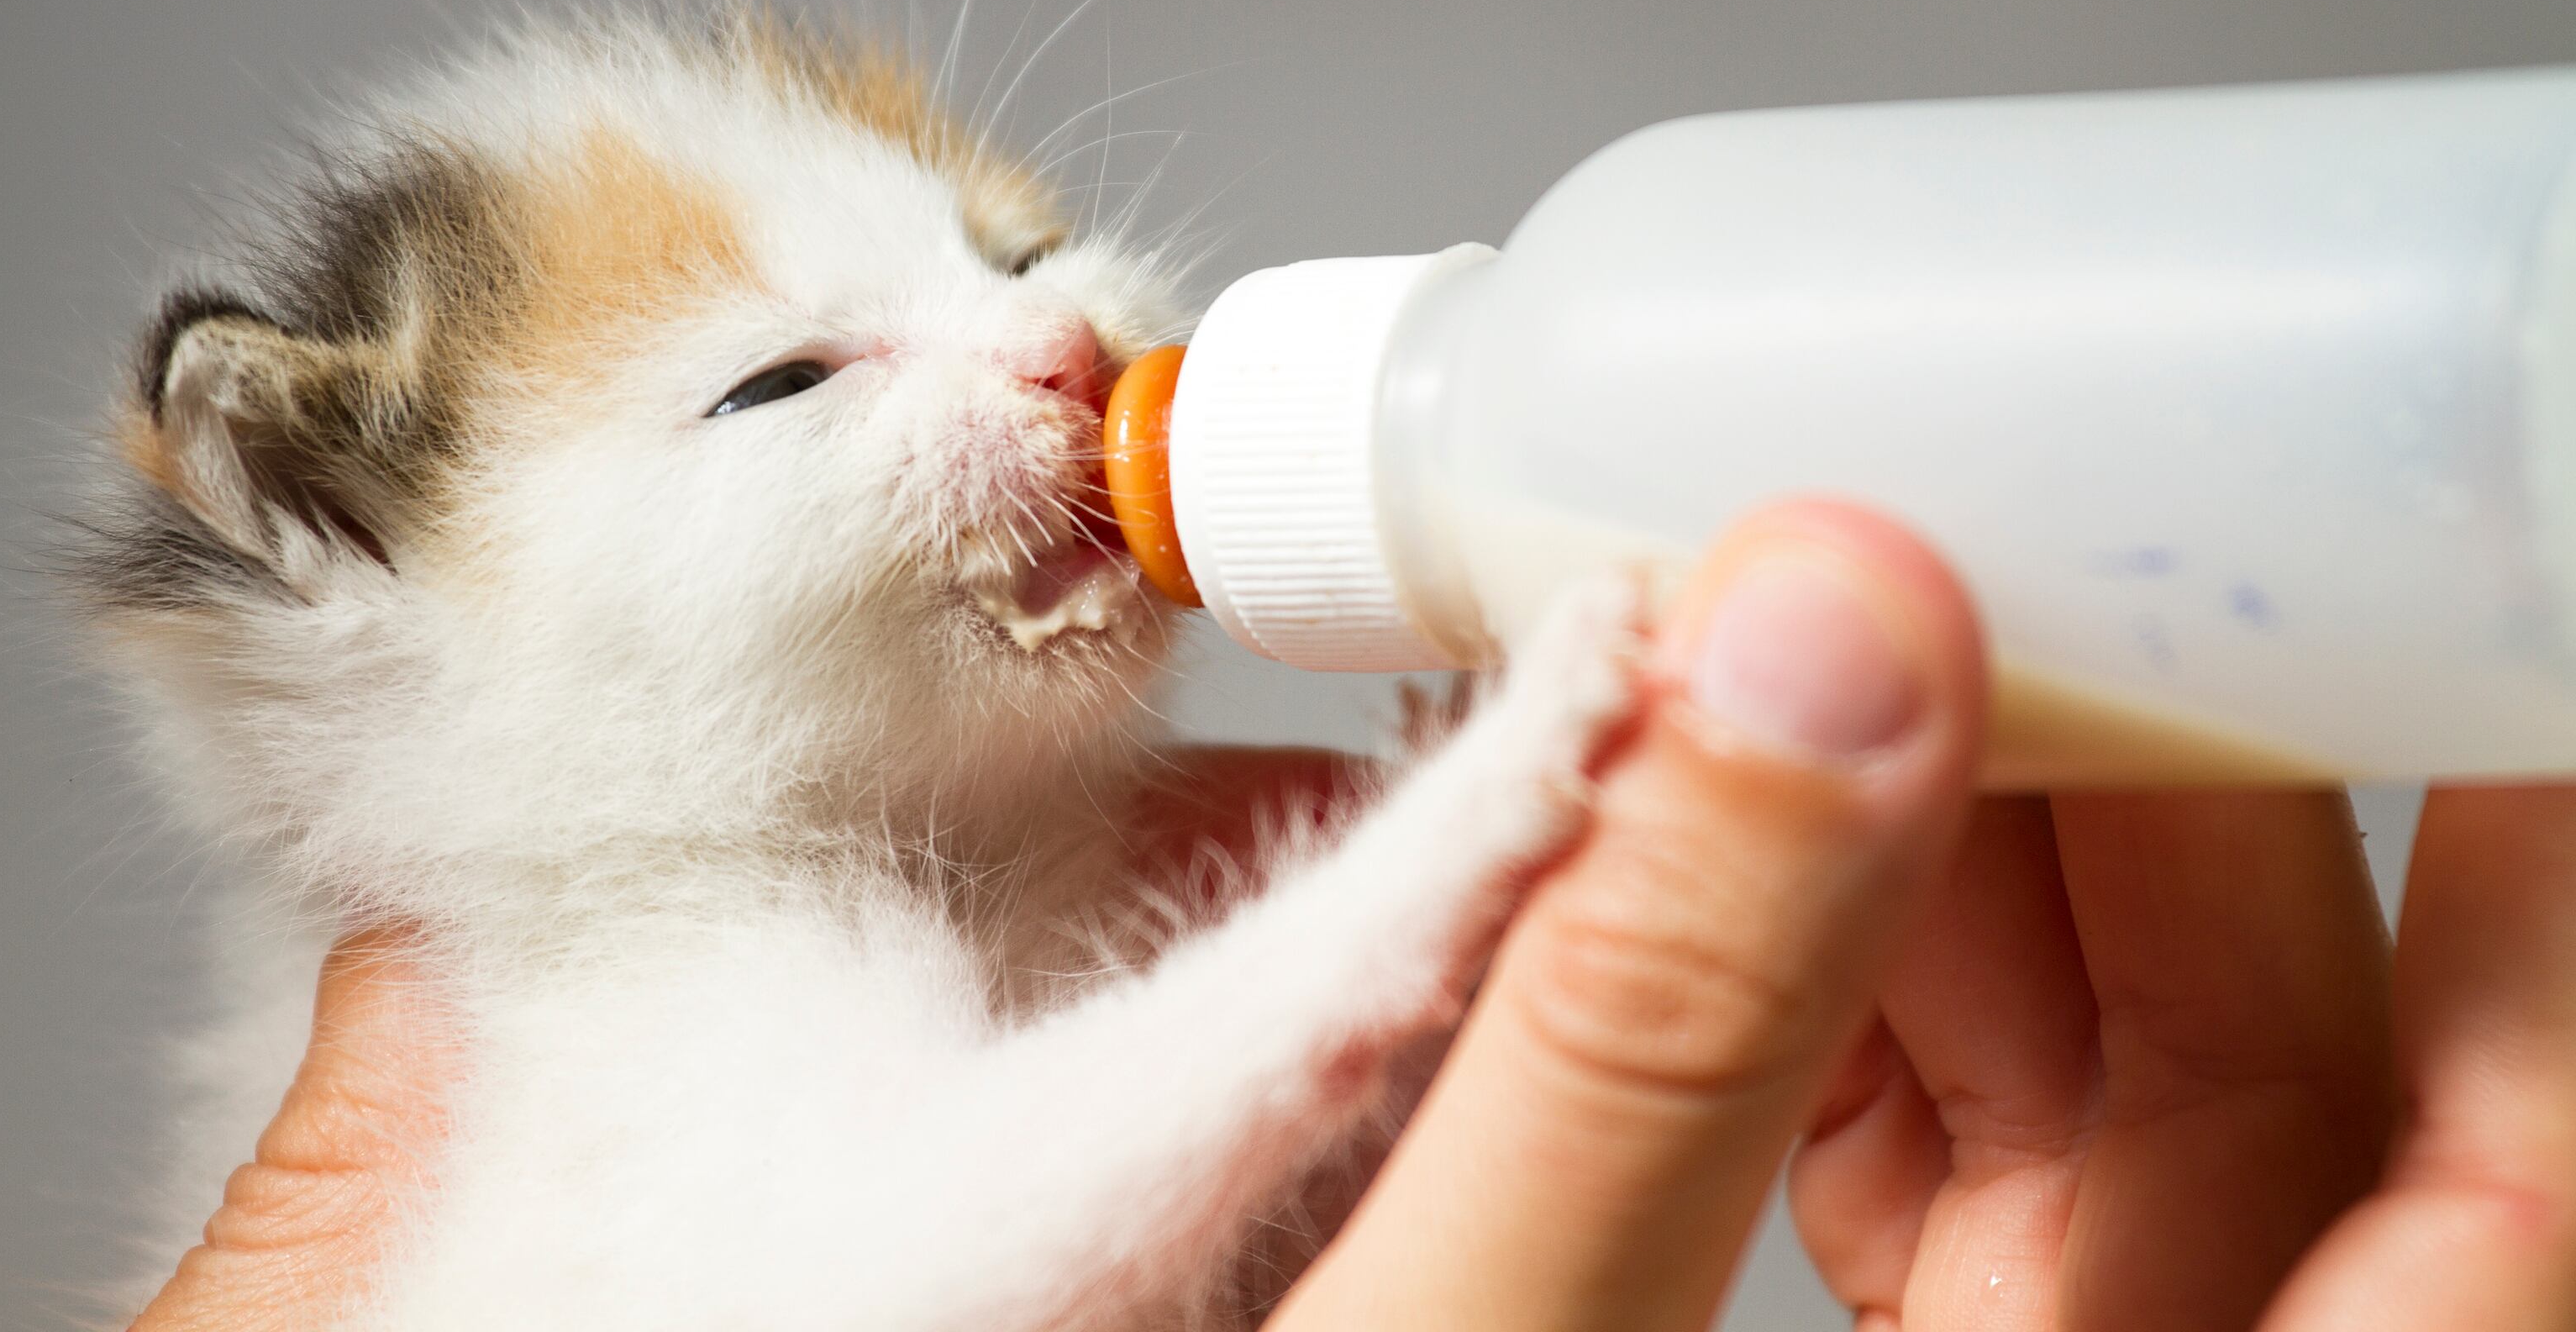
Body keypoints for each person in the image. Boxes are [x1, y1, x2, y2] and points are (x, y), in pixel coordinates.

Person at [130, 503, 2576, 1330]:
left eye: (1007, 243)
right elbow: (974, 1237)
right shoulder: (623, 992)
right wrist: (1485, 830)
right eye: (780, 384)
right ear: (364, 596)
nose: (1050, 344)